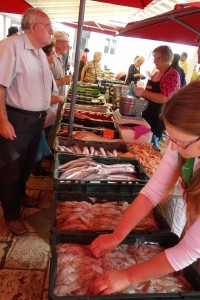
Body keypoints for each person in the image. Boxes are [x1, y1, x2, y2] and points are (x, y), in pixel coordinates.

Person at [89, 80, 200, 295]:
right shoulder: (180, 143)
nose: (173, 147)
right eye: (170, 138)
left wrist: (128, 276)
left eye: (180, 142)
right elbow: (153, 190)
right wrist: (117, 235)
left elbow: (188, 250)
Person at [0, 8, 53, 235]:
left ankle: (20, 196)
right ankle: (11, 215)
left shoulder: (40, 53)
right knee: (10, 169)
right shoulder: (11, 46)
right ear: (34, 27)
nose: (52, 31)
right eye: (48, 26)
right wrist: (3, 120)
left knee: (26, 165)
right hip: (16, 118)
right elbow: (0, 86)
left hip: (35, 121)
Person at [134, 45, 180, 140]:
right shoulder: (156, 73)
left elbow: (165, 98)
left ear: (166, 58)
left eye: (157, 59)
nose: (154, 61)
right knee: (140, 140)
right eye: (154, 58)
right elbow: (150, 95)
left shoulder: (172, 75)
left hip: (158, 119)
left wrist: (143, 92)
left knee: (149, 144)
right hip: (147, 115)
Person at [32, 42, 64, 176]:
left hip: (48, 114)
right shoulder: (40, 72)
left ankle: (42, 159)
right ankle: (36, 168)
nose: (54, 56)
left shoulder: (46, 70)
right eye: (53, 53)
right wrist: (59, 99)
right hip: (42, 114)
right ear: (45, 55)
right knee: (37, 143)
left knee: (42, 140)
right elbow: (42, 98)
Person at [49, 31, 71, 149]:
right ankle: (44, 154)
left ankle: (48, 151)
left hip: (57, 101)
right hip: (50, 102)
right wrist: (63, 81)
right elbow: (46, 83)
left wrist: (64, 80)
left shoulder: (60, 58)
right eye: (66, 44)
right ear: (58, 43)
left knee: (54, 127)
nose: (68, 47)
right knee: (49, 129)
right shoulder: (51, 59)